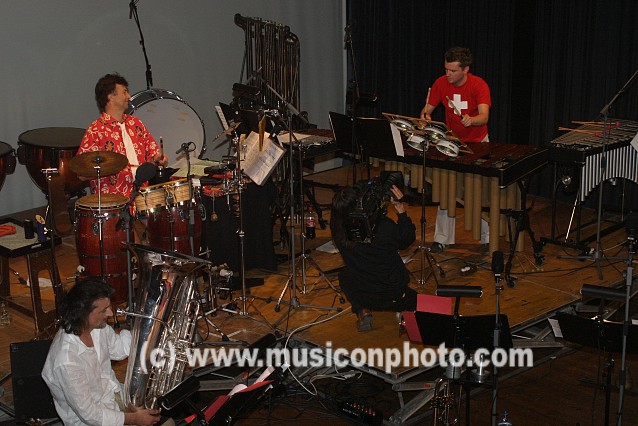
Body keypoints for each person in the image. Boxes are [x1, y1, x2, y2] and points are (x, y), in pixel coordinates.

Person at [42, 279, 162, 425]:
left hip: (113, 397)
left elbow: (119, 349)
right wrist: (135, 419)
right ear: (83, 314)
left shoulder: (97, 328)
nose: (110, 313)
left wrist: (150, 330)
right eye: (103, 310)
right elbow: (90, 414)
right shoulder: (67, 360)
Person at [419, 47, 491, 253]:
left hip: (478, 143)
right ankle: (442, 239)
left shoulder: (479, 85)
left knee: (480, 193)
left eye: (452, 71)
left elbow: (484, 116)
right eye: (446, 69)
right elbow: (427, 109)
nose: (448, 74)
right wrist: (425, 116)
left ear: (466, 69)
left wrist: (472, 120)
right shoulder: (441, 83)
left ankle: (487, 238)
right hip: (452, 142)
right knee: (447, 190)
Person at [331, 183, 417, 332]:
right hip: (394, 293)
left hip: (364, 293)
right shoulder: (384, 226)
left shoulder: (338, 230)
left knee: (344, 275)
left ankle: (362, 310)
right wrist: (400, 209)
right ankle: (408, 315)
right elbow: (407, 239)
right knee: (430, 305)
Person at [77, 73, 168, 198]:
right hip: (111, 202)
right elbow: (82, 172)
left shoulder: (136, 124)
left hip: (141, 198)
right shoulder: (95, 130)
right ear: (110, 96)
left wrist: (157, 160)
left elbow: (153, 155)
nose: (129, 96)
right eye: (124, 92)